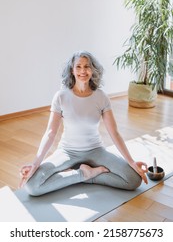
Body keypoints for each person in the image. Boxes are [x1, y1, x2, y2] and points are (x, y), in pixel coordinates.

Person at [19, 50, 148, 196]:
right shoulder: (61, 96)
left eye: (87, 66)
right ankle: (82, 174)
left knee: (133, 180)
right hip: (67, 151)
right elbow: (50, 133)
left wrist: (131, 161)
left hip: (96, 150)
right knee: (33, 186)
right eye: (78, 67)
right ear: (72, 70)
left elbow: (114, 132)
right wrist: (35, 163)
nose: (83, 71)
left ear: (93, 70)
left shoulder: (101, 97)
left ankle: (88, 175)